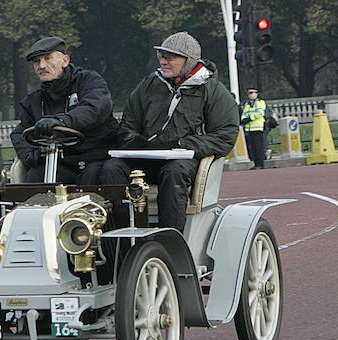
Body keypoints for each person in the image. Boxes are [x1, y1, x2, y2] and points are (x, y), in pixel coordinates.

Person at [100, 32, 238, 232]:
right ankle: (124, 235)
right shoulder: (148, 85)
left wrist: (181, 145)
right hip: (148, 157)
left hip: (186, 160)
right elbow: (127, 125)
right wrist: (136, 142)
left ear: (189, 61)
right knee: (112, 168)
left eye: (170, 57)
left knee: (174, 172)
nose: (163, 62)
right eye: (161, 57)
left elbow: (225, 136)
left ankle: (171, 239)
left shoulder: (212, 90)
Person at [10, 36, 119, 183]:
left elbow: (95, 108)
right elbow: (19, 133)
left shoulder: (88, 81)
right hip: (62, 162)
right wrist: (30, 154)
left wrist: (60, 121)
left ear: (65, 61)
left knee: (92, 176)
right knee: (35, 178)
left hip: (96, 156)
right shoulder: (34, 101)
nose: (41, 66)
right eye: (37, 61)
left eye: (48, 58)